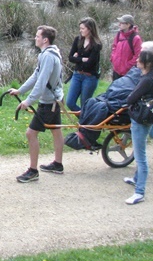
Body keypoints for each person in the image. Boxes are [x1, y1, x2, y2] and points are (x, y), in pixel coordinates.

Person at [10, 26, 64, 183]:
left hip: (49, 103)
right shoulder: (48, 54)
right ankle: (58, 164)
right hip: (55, 100)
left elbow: (41, 82)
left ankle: (33, 171)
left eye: (37, 36)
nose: (35, 38)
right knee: (56, 131)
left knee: (31, 133)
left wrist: (28, 101)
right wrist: (20, 91)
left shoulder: (47, 56)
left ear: (45, 39)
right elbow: (36, 75)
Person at [122, 48, 153, 205]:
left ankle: (140, 191)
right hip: (141, 118)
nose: (137, 60)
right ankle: (135, 178)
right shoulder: (150, 76)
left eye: (140, 59)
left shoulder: (147, 79)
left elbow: (132, 97)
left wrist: (128, 99)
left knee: (140, 157)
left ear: (147, 63)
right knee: (139, 151)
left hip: (140, 121)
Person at [66, 17, 102, 112]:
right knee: (70, 102)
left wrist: (77, 58)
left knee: (85, 105)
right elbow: (70, 58)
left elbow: (90, 63)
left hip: (89, 77)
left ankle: (85, 124)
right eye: (80, 28)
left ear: (89, 29)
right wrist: (82, 59)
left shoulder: (96, 44)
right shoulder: (77, 40)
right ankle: (86, 120)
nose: (80, 30)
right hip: (77, 74)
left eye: (82, 28)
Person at [110, 14, 142, 81]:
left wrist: (127, 66)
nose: (119, 25)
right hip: (116, 71)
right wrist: (113, 58)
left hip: (128, 73)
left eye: (122, 23)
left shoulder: (136, 38)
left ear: (128, 25)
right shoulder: (119, 34)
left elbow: (138, 56)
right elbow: (114, 47)